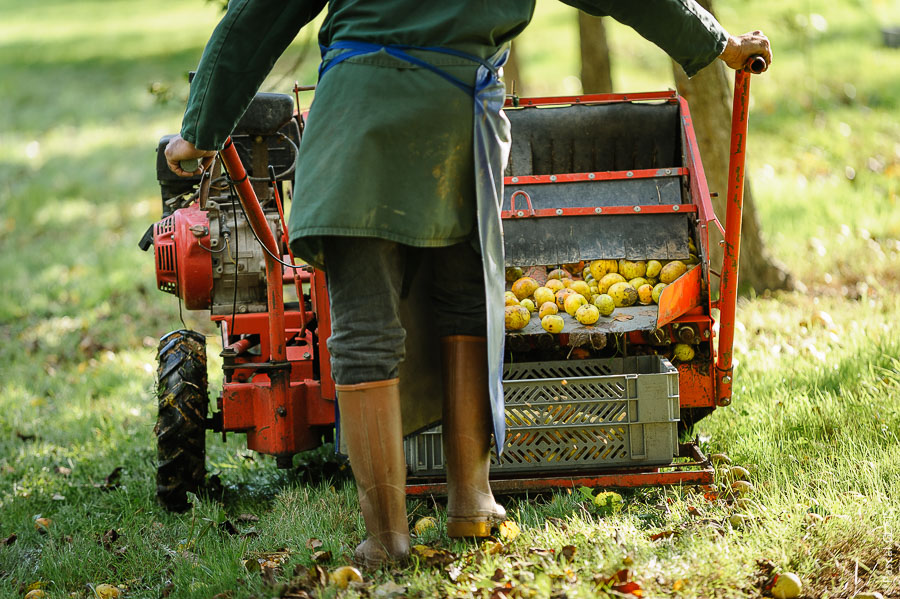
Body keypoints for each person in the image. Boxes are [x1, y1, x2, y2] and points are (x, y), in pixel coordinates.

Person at [165, 0, 772, 568]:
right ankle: (472, 504)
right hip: (457, 127)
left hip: (356, 128)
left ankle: (385, 538)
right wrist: (716, 42)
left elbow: (257, 15)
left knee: (363, 331)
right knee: (464, 309)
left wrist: (201, 128)